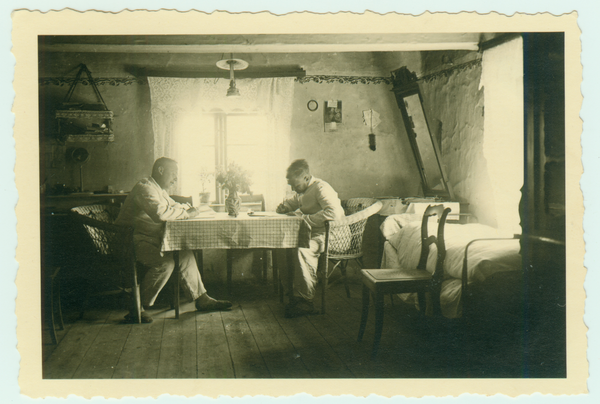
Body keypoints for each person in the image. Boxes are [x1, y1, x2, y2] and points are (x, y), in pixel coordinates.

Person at [115, 157, 232, 323]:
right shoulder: (144, 188)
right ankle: (136, 307)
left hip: (149, 238)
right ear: (161, 170)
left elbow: (173, 206)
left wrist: (189, 209)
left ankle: (202, 299)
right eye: (173, 173)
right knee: (165, 263)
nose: (175, 179)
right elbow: (161, 214)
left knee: (184, 253)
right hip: (130, 241)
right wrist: (188, 213)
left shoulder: (158, 190)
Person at [276, 159, 344, 318]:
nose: (293, 189)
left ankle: (306, 301)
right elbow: (294, 202)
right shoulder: (302, 191)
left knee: (303, 249)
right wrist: (284, 207)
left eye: (296, 185)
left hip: (332, 235)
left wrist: (305, 219)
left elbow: (333, 214)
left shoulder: (321, 188)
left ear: (307, 178)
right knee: (282, 246)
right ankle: (293, 295)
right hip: (315, 233)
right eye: (291, 185)